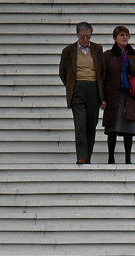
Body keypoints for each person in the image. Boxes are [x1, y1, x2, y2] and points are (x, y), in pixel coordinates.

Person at [59, 22, 105, 165]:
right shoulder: (68, 50)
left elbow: (102, 70)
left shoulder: (97, 49)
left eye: (88, 36)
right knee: (80, 124)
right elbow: (63, 72)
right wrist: (72, 86)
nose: (85, 40)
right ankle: (81, 156)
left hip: (93, 89)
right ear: (77, 35)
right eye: (82, 36)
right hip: (77, 88)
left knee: (91, 124)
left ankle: (88, 156)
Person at [101, 26, 135, 164]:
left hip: (130, 95)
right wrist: (102, 98)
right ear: (115, 37)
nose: (125, 37)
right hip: (113, 95)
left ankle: (128, 159)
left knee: (128, 129)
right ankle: (111, 158)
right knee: (112, 128)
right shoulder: (108, 55)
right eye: (121, 35)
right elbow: (102, 78)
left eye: (127, 35)